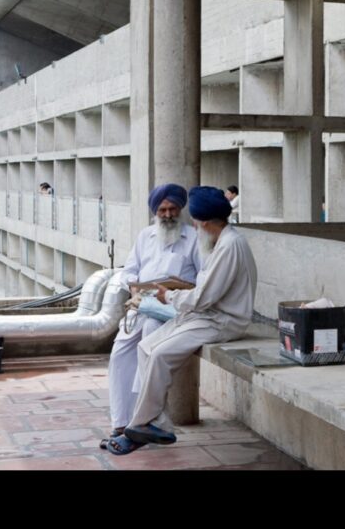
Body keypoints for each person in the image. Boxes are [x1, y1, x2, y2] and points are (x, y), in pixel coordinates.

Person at [106, 186, 257, 455]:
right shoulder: (220, 241)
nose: (195, 226)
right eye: (162, 209)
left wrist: (168, 296)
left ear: (205, 222)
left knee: (160, 354)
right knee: (145, 347)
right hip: (201, 314)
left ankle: (141, 425)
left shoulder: (229, 246)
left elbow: (203, 296)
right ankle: (155, 423)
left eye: (196, 221)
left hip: (221, 320)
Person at [101, 183, 203, 449]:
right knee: (120, 351)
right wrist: (134, 285)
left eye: (172, 209)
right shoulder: (145, 236)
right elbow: (129, 270)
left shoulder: (194, 239)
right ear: (155, 212)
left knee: (147, 342)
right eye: (162, 210)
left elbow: (203, 281)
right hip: (140, 304)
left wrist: (178, 289)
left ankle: (143, 421)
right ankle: (120, 422)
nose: (167, 214)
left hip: (171, 309)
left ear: (180, 209)